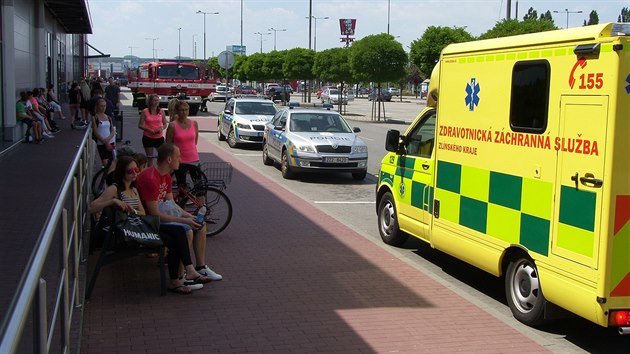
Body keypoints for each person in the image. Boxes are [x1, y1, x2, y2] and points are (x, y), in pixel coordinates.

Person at [89, 155, 209, 295]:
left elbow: (141, 212)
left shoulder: (133, 189)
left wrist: (133, 211)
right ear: (121, 172)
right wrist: (113, 202)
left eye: (136, 170)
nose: (135, 173)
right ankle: (181, 277)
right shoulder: (115, 189)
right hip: (130, 232)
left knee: (178, 233)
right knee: (176, 236)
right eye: (130, 171)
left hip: (140, 225)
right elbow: (91, 207)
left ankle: (185, 273)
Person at [136, 143, 222, 285]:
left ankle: (200, 267)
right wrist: (184, 221)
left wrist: (188, 216)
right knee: (186, 230)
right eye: (178, 157)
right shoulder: (150, 179)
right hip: (150, 221)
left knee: (200, 225)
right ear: (169, 160)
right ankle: (182, 276)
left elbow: (171, 204)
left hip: (161, 215)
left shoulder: (166, 176)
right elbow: (154, 214)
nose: (180, 160)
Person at [165, 100, 202, 188]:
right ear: (177, 111)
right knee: (182, 187)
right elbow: (168, 144)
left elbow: (195, 141)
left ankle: (201, 202)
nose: (184, 112)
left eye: (186, 109)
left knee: (200, 188)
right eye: (182, 110)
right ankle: (181, 201)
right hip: (180, 160)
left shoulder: (194, 123)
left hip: (194, 159)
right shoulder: (172, 125)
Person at [138, 94, 168, 166]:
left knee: (163, 155)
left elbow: (165, 124)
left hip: (159, 137)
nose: (156, 102)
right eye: (154, 100)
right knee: (150, 158)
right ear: (150, 101)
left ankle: (160, 171)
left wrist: (161, 128)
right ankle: (150, 173)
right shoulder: (145, 111)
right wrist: (149, 130)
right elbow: (140, 125)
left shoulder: (161, 111)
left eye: (157, 100)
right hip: (148, 137)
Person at [91, 98, 117, 167]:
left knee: (112, 163)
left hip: (109, 141)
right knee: (106, 164)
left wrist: (108, 139)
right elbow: (96, 132)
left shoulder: (108, 117)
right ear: (97, 106)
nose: (103, 108)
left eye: (104, 106)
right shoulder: (95, 118)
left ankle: (109, 177)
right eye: (101, 106)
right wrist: (105, 142)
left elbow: (112, 130)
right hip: (101, 143)